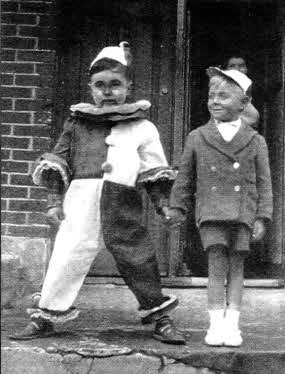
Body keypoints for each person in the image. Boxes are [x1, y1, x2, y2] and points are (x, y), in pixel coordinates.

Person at [10, 42, 185, 345]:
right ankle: (45, 316)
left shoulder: (142, 127)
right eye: (100, 85)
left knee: (136, 254)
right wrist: (54, 201)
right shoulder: (77, 123)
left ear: (128, 86)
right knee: (68, 252)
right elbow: (58, 161)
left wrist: (163, 205)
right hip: (81, 198)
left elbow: (153, 172)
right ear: (90, 88)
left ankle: (160, 318)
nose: (107, 91)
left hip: (122, 199)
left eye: (115, 84)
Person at [164, 67, 273, 347]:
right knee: (215, 266)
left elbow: (264, 182)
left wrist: (262, 216)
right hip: (211, 211)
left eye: (223, 96)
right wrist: (177, 207)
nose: (214, 101)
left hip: (242, 213)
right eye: (211, 95)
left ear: (244, 103)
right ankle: (215, 324)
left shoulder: (255, 140)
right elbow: (185, 178)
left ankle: (232, 325)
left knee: (237, 266)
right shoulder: (197, 137)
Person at [224, 55, 260, 129]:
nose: (237, 69)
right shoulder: (218, 90)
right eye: (232, 66)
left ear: (247, 69)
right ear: (225, 70)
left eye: (241, 66)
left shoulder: (254, 89)